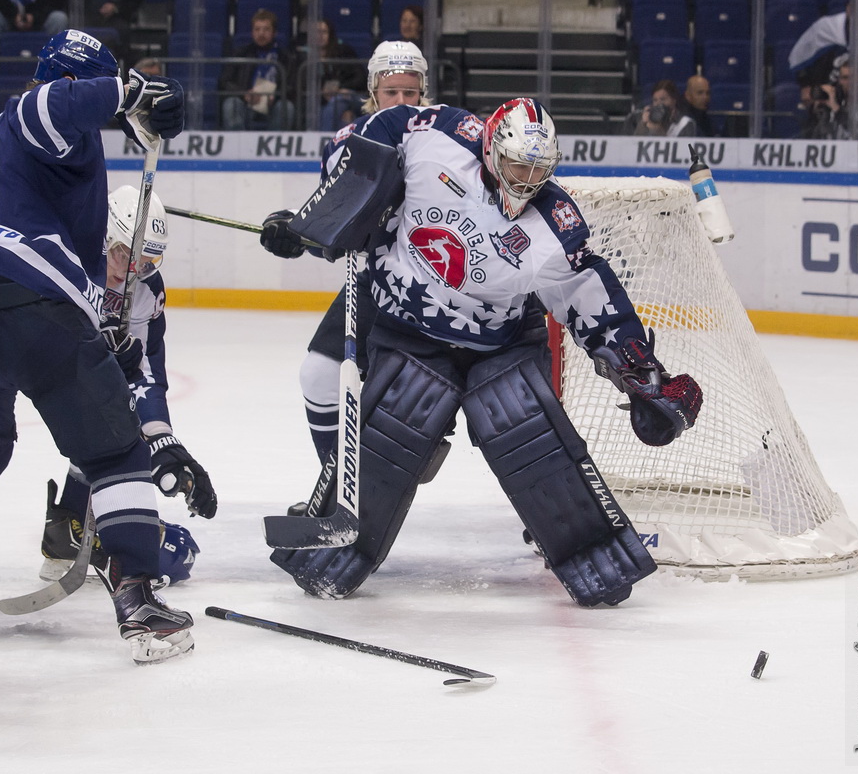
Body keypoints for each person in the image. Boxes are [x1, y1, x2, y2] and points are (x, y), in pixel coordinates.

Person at [262, 97, 703, 607]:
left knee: (522, 422)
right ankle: (331, 553)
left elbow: (588, 292)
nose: (525, 180)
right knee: (396, 421)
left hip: (501, 342)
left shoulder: (554, 222)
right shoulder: (440, 137)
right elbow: (375, 130)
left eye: (539, 170)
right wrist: (333, 207)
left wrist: (641, 371)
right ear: (491, 148)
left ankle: (594, 556)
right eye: (517, 165)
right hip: (406, 327)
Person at [0, 30, 203, 664]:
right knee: (116, 450)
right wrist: (131, 95)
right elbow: (55, 104)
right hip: (30, 306)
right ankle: (140, 600)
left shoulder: (0, 144)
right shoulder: (34, 116)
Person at [0, 184, 213, 602]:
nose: (130, 272)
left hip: (52, 356)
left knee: (108, 421)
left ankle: (69, 528)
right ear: (104, 237)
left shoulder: (145, 289)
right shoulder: (65, 249)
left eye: (146, 263)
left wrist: (163, 439)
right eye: (123, 255)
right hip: (6, 333)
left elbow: (145, 371)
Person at [261, 41, 430, 464]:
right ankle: (339, 486)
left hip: (439, 292)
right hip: (374, 284)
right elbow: (336, 235)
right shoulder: (344, 146)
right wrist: (296, 232)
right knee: (318, 375)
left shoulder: (445, 142)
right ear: (373, 92)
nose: (401, 102)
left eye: (411, 93)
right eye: (392, 92)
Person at [789, 0, 858, 105]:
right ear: (846, 7)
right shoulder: (825, 27)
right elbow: (801, 57)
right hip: (823, 95)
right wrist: (805, 86)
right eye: (852, 5)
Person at [220, 8, 296, 131]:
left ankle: (274, 149)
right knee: (231, 104)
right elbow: (225, 82)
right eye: (257, 29)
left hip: (273, 104)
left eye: (266, 29)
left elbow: (291, 86)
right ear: (252, 32)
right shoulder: (241, 53)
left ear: (274, 32)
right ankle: (239, 148)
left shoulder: (286, 57)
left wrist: (274, 96)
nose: (261, 33)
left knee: (286, 107)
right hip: (245, 103)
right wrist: (245, 94)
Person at [802, 54, 858, 140]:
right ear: (839, 81)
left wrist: (837, 110)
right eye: (845, 78)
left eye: (853, 77)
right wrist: (819, 112)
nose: (849, 82)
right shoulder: (832, 109)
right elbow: (811, 139)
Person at [83, 0, 151, 68]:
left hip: (120, 16)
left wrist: (116, 7)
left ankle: (122, 74)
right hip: (87, 14)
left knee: (121, 32)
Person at [315, 19, 365, 132]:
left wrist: (342, 88)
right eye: (317, 32)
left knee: (338, 100)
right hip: (323, 101)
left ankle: (325, 142)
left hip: (349, 96)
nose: (320, 36)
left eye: (324, 32)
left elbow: (361, 78)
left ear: (330, 34)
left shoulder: (343, 52)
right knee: (344, 120)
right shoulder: (304, 57)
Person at [623, 79, 696, 136]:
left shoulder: (685, 123)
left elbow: (682, 151)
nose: (659, 104)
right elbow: (634, 146)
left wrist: (658, 131)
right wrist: (643, 124)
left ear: (674, 100)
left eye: (663, 99)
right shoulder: (646, 119)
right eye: (655, 100)